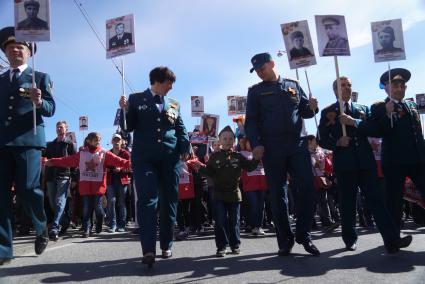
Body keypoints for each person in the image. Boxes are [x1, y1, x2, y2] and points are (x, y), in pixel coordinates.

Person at [318, 76, 412, 253]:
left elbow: (375, 130)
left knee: (377, 201)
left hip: (365, 162)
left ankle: (392, 239)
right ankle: (350, 238)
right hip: (345, 165)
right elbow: (321, 139)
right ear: (335, 90)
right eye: (343, 86)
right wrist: (337, 142)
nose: (347, 88)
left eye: (349, 85)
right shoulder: (328, 111)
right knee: (348, 203)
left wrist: (355, 123)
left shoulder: (363, 110)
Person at [244, 52, 320, 256]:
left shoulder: (293, 84)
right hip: (272, 147)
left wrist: (313, 107)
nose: (259, 72)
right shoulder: (255, 92)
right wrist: (256, 144)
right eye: (257, 70)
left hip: (297, 144)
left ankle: (304, 234)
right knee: (278, 195)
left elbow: (305, 111)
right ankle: (285, 240)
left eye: (262, 68)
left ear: (272, 64)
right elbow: (250, 121)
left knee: (306, 188)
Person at [119, 66, 190, 267]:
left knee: (169, 201)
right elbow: (128, 127)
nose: (171, 88)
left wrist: (185, 146)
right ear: (158, 81)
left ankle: (167, 243)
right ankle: (148, 249)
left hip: (170, 158)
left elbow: (180, 128)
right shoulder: (135, 99)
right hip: (144, 158)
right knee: (148, 199)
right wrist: (124, 110)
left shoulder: (174, 103)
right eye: (169, 84)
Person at [0, 26, 55, 265]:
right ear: (5, 52)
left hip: (29, 140)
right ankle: (3, 250)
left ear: (29, 50)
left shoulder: (39, 77)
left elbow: (51, 109)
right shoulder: (1, 80)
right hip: (2, 143)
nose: (15, 50)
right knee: (1, 197)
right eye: (10, 47)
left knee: (27, 189)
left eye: (20, 46)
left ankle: (41, 225)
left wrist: (39, 101)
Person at [368, 68, 425, 238]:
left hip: (417, 160)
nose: (399, 88)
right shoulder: (379, 107)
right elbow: (377, 131)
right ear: (386, 88)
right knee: (394, 202)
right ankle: (392, 239)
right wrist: (388, 113)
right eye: (395, 85)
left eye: (402, 85)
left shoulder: (411, 105)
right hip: (395, 163)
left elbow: (418, 134)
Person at [45, 132, 131, 238]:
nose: (98, 142)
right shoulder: (82, 153)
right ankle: (86, 229)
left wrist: (130, 163)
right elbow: (67, 160)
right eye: (95, 140)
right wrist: (52, 162)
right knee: (86, 209)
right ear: (89, 141)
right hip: (85, 187)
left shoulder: (104, 153)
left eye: (99, 140)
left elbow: (118, 160)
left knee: (98, 209)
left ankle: (99, 221)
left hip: (98, 187)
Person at [193, 126, 260, 257]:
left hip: (234, 194)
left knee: (234, 221)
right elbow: (210, 172)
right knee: (220, 221)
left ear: (234, 141)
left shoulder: (238, 156)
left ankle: (235, 245)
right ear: (219, 140)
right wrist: (200, 168)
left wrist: (256, 159)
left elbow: (250, 167)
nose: (228, 141)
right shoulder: (214, 156)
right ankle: (221, 247)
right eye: (225, 138)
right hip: (219, 195)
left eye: (230, 138)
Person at [43, 121, 76, 241]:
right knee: (52, 203)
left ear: (66, 129)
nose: (59, 128)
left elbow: (75, 162)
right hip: (50, 176)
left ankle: (54, 228)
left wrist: (74, 177)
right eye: (57, 127)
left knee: (59, 202)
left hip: (64, 176)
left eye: (61, 127)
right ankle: (66, 221)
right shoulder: (50, 144)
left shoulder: (70, 144)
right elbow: (45, 158)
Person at [106, 134, 131, 233]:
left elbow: (129, 167)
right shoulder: (108, 153)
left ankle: (122, 224)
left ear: (121, 142)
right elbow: (105, 166)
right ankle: (112, 224)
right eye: (114, 140)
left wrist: (121, 169)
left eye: (118, 140)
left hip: (122, 181)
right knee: (111, 202)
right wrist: (113, 169)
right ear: (112, 142)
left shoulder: (126, 153)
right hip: (111, 181)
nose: (116, 142)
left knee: (121, 203)